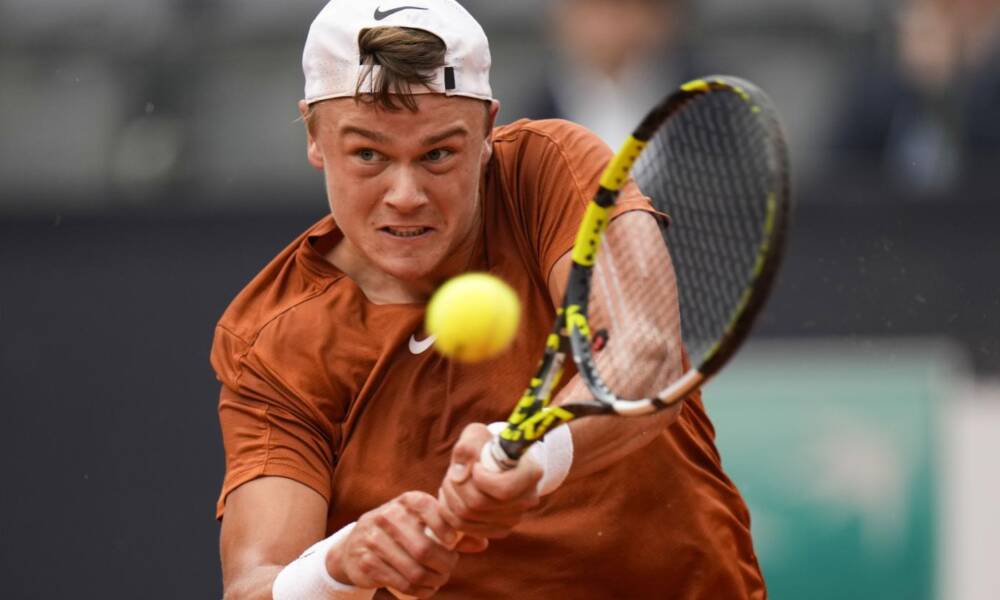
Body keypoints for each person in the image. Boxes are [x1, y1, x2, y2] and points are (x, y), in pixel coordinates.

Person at [212, 1, 765, 598]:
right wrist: (335, 568)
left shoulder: (550, 167)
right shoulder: (272, 341)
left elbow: (642, 358)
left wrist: (536, 452)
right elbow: (255, 584)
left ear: (486, 133)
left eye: (438, 154)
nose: (405, 194)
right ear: (314, 136)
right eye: (368, 155)